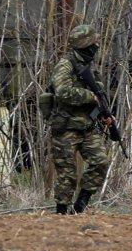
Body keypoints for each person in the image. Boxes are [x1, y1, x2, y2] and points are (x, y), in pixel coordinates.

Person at [48, 24, 113, 214]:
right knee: (67, 175)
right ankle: (61, 213)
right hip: (66, 128)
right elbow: (61, 92)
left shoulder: (89, 66)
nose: (97, 46)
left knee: (100, 162)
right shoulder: (65, 65)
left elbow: (98, 97)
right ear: (86, 45)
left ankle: (81, 205)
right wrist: (89, 96)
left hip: (87, 127)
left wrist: (105, 114)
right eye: (94, 43)